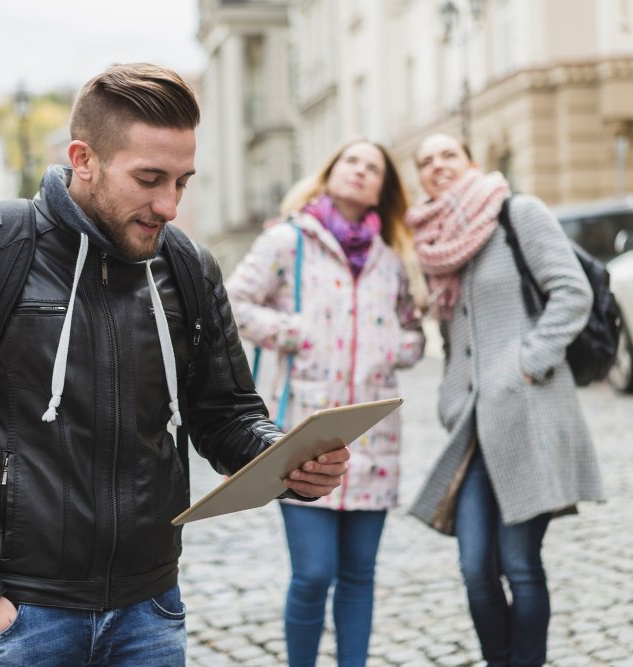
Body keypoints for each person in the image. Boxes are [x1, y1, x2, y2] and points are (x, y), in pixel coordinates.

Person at [0, 63, 350, 667]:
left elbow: (225, 412)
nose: (169, 205)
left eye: (182, 181)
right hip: (21, 619)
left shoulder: (188, 267)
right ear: (84, 158)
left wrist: (286, 458)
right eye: (149, 178)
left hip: (150, 612)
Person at [404, 133, 604, 667]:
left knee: (520, 564)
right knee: (475, 568)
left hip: (527, 412)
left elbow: (572, 292)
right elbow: (454, 336)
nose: (437, 166)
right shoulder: (434, 242)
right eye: (425, 161)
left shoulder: (518, 213)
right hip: (471, 428)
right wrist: (451, 396)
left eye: (449, 155)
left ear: (471, 162)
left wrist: (525, 363)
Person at [227, 139, 425, 667]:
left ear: (384, 189)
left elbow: (414, 334)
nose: (361, 172)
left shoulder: (390, 261)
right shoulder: (287, 241)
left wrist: (397, 346)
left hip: (373, 439)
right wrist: (293, 331)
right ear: (330, 172)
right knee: (314, 574)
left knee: (359, 575)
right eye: (352, 162)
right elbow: (233, 302)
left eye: (374, 168)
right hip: (304, 436)